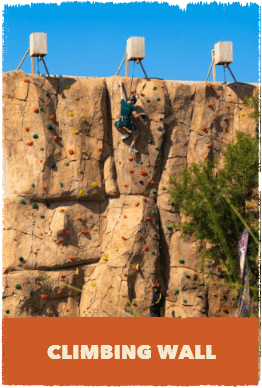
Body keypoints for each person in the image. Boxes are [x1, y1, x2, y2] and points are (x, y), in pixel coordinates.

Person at [115, 81, 140, 153]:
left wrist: (120, 86)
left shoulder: (123, 103)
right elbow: (136, 114)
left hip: (120, 122)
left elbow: (122, 94)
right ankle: (131, 147)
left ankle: (125, 133)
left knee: (115, 124)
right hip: (127, 123)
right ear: (133, 101)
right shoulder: (132, 107)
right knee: (137, 133)